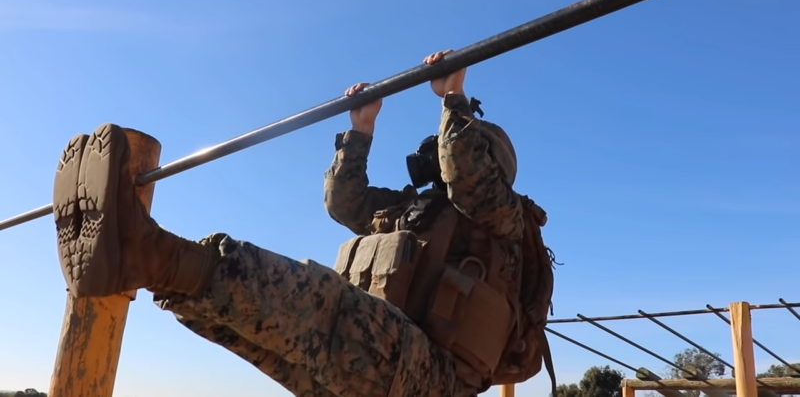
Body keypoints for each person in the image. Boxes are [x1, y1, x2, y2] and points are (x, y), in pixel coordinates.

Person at [52, 49, 547, 397]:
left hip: (434, 379)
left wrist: (454, 99)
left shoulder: (505, 224)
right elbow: (344, 202)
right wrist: (362, 130)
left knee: (318, 302)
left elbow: (465, 174)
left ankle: (146, 250)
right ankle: (144, 263)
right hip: (381, 365)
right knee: (260, 332)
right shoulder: (416, 214)